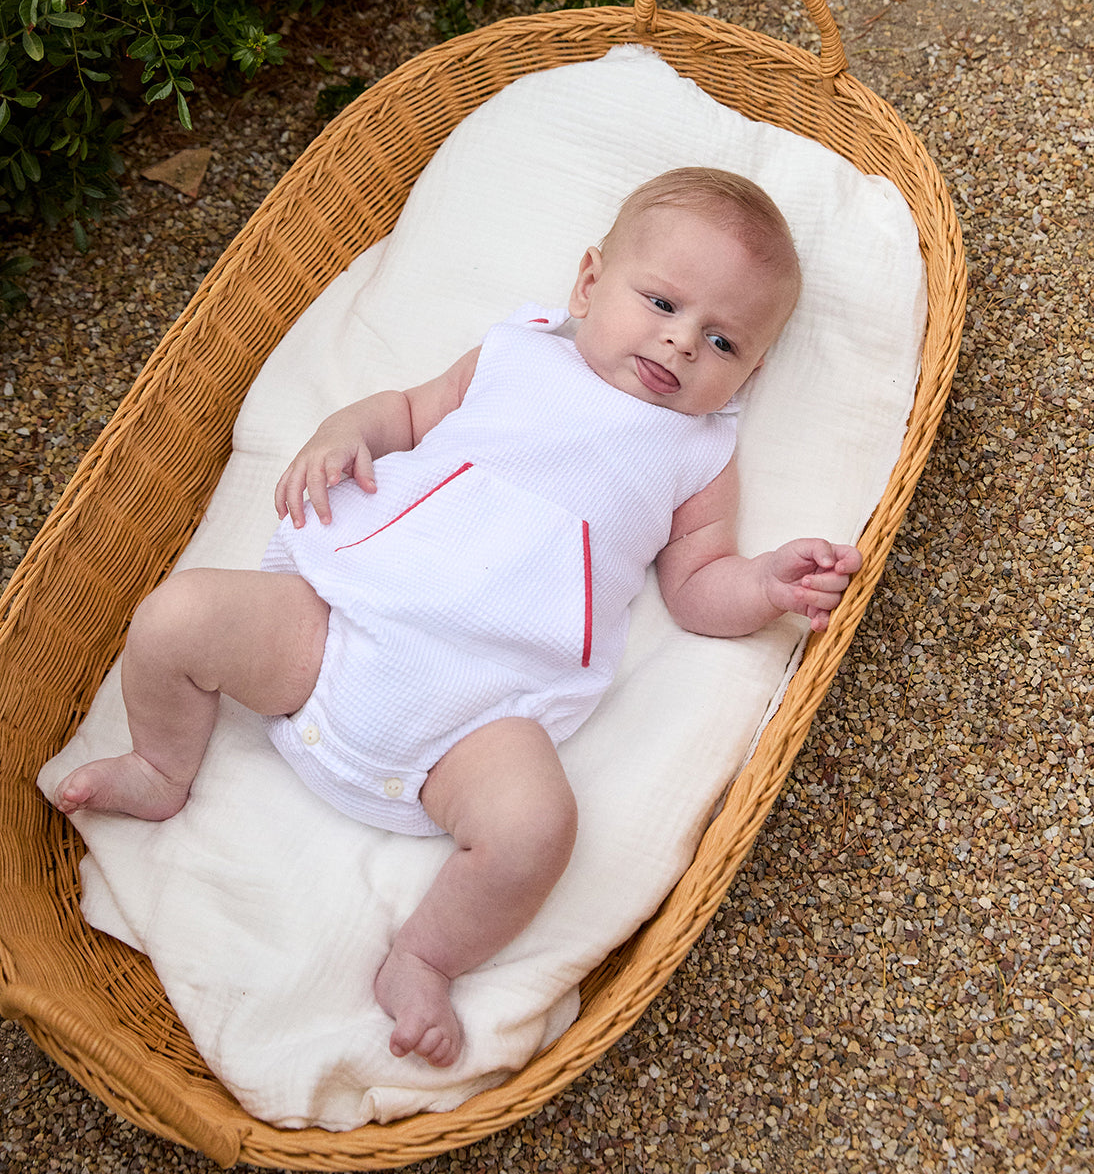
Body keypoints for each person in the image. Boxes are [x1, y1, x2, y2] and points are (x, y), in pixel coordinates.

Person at [53, 167, 862, 1069]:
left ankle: (425, 956)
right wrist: (341, 434)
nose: (679, 343)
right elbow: (404, 412)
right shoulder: (517, 354)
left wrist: (766, 585)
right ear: (590, 284)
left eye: (722, 341)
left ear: (751, 370)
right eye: (663, 302)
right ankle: (162, 767)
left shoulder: (699, 451)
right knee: (180, 614)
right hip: (339, 624)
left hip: (481, 711)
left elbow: (698, 585)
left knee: (536, 830)